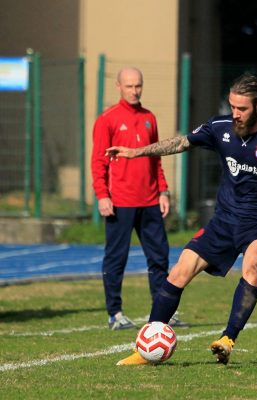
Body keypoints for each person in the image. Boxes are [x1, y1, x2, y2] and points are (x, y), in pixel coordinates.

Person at [109, 73, 257, 365]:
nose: (235, 114)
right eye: (232, 106)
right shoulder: (219, 127)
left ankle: (227, 339)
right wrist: (135, 152)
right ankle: (145, 349)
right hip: (225, 218)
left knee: (253, 262)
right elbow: (181, 142)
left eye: (242, 108)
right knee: (180, 269)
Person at [91, 67, 184, 330]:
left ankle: (163, 310)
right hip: (120, 202)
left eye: (138, 86)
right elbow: (99, 161)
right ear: (119, 86)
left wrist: (163, 191)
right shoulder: (107, 119)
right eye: (130, 86)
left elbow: (156, 158)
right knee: (116, 258)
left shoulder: (149, 118)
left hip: (150, 201)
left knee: (159, 257)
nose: (135, 90)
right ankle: (115, 314)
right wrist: (102, 195)